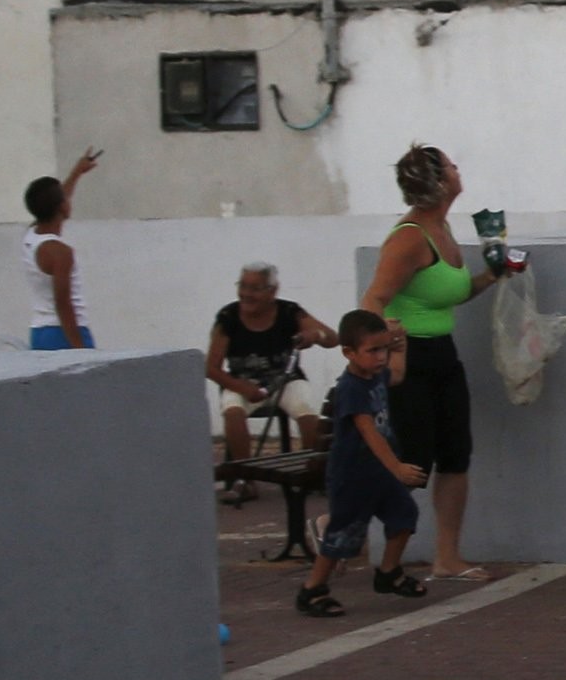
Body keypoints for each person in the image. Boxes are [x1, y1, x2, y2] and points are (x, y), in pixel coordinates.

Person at [364, 145, 528, 587]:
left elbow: (452, 295)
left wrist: (494, 274)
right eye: (452, 166)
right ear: (439, 183)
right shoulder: (409, 238)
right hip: (410, 357)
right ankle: (337, 522)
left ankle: (447, 557)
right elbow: (374, 298)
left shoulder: (443, 229)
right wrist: (387, 349)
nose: (459, 170)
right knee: (413, 462)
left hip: (443, 354)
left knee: (456, 455)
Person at [301, 310, 428, 618]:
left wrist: (401, 345)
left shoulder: (375, 375)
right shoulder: (351, 388)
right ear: (349, 352)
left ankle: (389, 572)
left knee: (404, 515)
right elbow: (369, 433)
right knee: (344, 536)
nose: (381, 356)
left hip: (379, 473)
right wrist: (397, 468)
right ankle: (313, 589)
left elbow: (397, 373)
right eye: (373, 350)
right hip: (353, 477)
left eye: (384, 348)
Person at [208, 262, 335, 489]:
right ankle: (244, 479)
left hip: (286, 380)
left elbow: (332, 338)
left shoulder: (289, 312)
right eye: (243, 286)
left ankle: (312, 474)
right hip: (241, 382)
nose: (246, 294)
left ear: (272, 291)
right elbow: (211, 368)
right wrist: (241, 387)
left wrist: (314, 335)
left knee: (308, 415)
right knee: (233, 414)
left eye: (255, 288)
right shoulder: (228, 317)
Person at [21, 150, 101, 348]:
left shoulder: (31, 235)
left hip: (40, 332)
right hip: (64, 334)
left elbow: (53, 200)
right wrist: (80, 349)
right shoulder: (60, 252)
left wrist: (76, 173)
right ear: (62, 207)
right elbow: (63, 304)